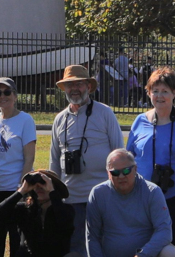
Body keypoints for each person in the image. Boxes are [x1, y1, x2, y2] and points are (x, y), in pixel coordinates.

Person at [125, 70, 175, 257]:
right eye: (155, 91)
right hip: (144, 197)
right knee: (145, 246)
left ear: (174, 93)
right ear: (148, 93)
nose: (159, 96)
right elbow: (129, 158)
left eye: (164, 91)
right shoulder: (139, 121)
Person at [48, 66, 124, 254]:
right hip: (71, 198)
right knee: (76, 249)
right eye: (70, 85)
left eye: (79, 84)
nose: (74, 89)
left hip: (102, 197)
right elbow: (54, 162)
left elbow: (119, 154)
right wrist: (54, 197)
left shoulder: (104, 113)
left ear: (89, 87)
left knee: (104, 247)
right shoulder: (60, 120)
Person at [0, 78, 37, 257]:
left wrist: (22, 190)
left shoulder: (25, 120)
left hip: (16, 190)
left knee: (18, 246)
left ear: (15, 96)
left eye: (7, 92)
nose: (2, 96)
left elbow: (29, 158)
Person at [85, 151, 175, 257]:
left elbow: (164, 231)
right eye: (115, 172)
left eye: (126, 170)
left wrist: (142, 255)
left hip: (147, 255)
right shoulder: (98, 194)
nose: (121, 176)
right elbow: (92, 236)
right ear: (108, 173)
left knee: (169, 253)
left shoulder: (152, 192)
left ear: (135, 169)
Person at [0, 172, 75, 257]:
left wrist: (52, 192)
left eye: (43, 183)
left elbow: (65, 222)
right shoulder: (24, 209)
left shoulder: (66, 209)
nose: (39, 187)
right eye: (35, 185)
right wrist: (22, 190)